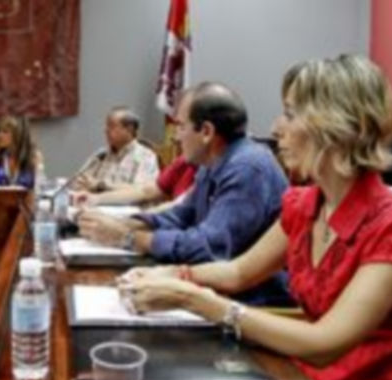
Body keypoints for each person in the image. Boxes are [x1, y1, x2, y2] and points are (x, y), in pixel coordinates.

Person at [120, 55, 392, 380]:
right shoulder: (304, 205)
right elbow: (239, 272)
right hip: (314, 374)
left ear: (337, 127)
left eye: (291, 114)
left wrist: (192, 298)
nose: (276, 128)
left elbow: (324, 343)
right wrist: (174, 273)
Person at [78, 82, 291, 306]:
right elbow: (181, 215)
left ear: (206, 132)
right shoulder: (212, 162)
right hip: (218, 293)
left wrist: (130, 238)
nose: (175, 138)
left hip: (254, 304)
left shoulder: (247, 168)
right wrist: (124, 224)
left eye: (180, 127)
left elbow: (209, 248)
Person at [71, 107, 159, 192]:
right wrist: (82, 185)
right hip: (93, 204)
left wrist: (101, 186)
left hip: (127, 206)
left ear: (129, 129)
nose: (106, 130)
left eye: (111, 126)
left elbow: (142, 191)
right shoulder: (101, 155)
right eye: (106, 126)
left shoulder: (146, 156)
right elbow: (77, 182)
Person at [0, 115, 43, 189]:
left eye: (5, 132)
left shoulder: (34, 157)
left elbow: (38, 189)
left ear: (18, 135)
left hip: (25, 200)